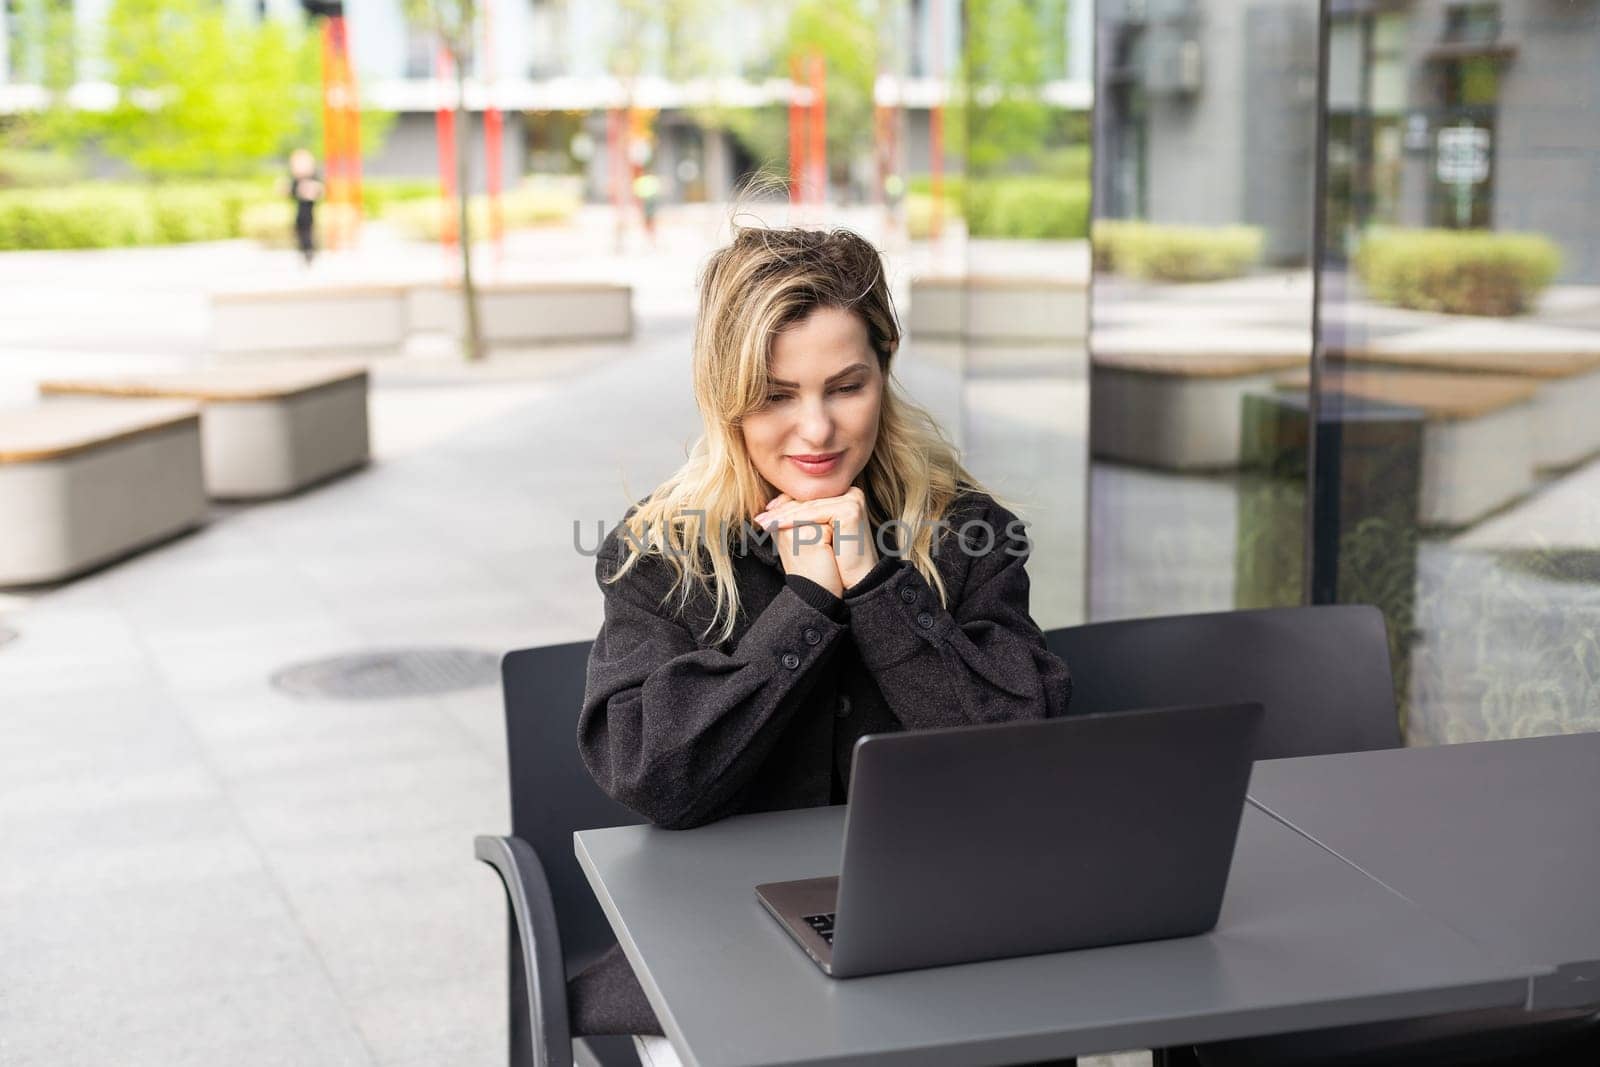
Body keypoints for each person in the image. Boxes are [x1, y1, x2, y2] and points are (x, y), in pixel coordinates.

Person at [571, 226, 1074, 1064]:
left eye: (847, 386)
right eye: (776, 396)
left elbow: (1018, 751)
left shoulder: (966, 532)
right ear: (722, 395)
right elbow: (656, 775)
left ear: (885, 370)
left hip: (940, 925)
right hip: (722, 942)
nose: (816, 430)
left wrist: (875, 583)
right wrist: (805, 599)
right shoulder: (660, 551)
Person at [286, 148, 323, 266]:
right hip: (299, 212)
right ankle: (304, 251)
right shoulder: (296, 181)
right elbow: (291, 192)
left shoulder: (313, 179)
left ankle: (309, 251)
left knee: (308, 231)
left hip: (308, 211)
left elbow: (318, 191)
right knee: (298, 230)